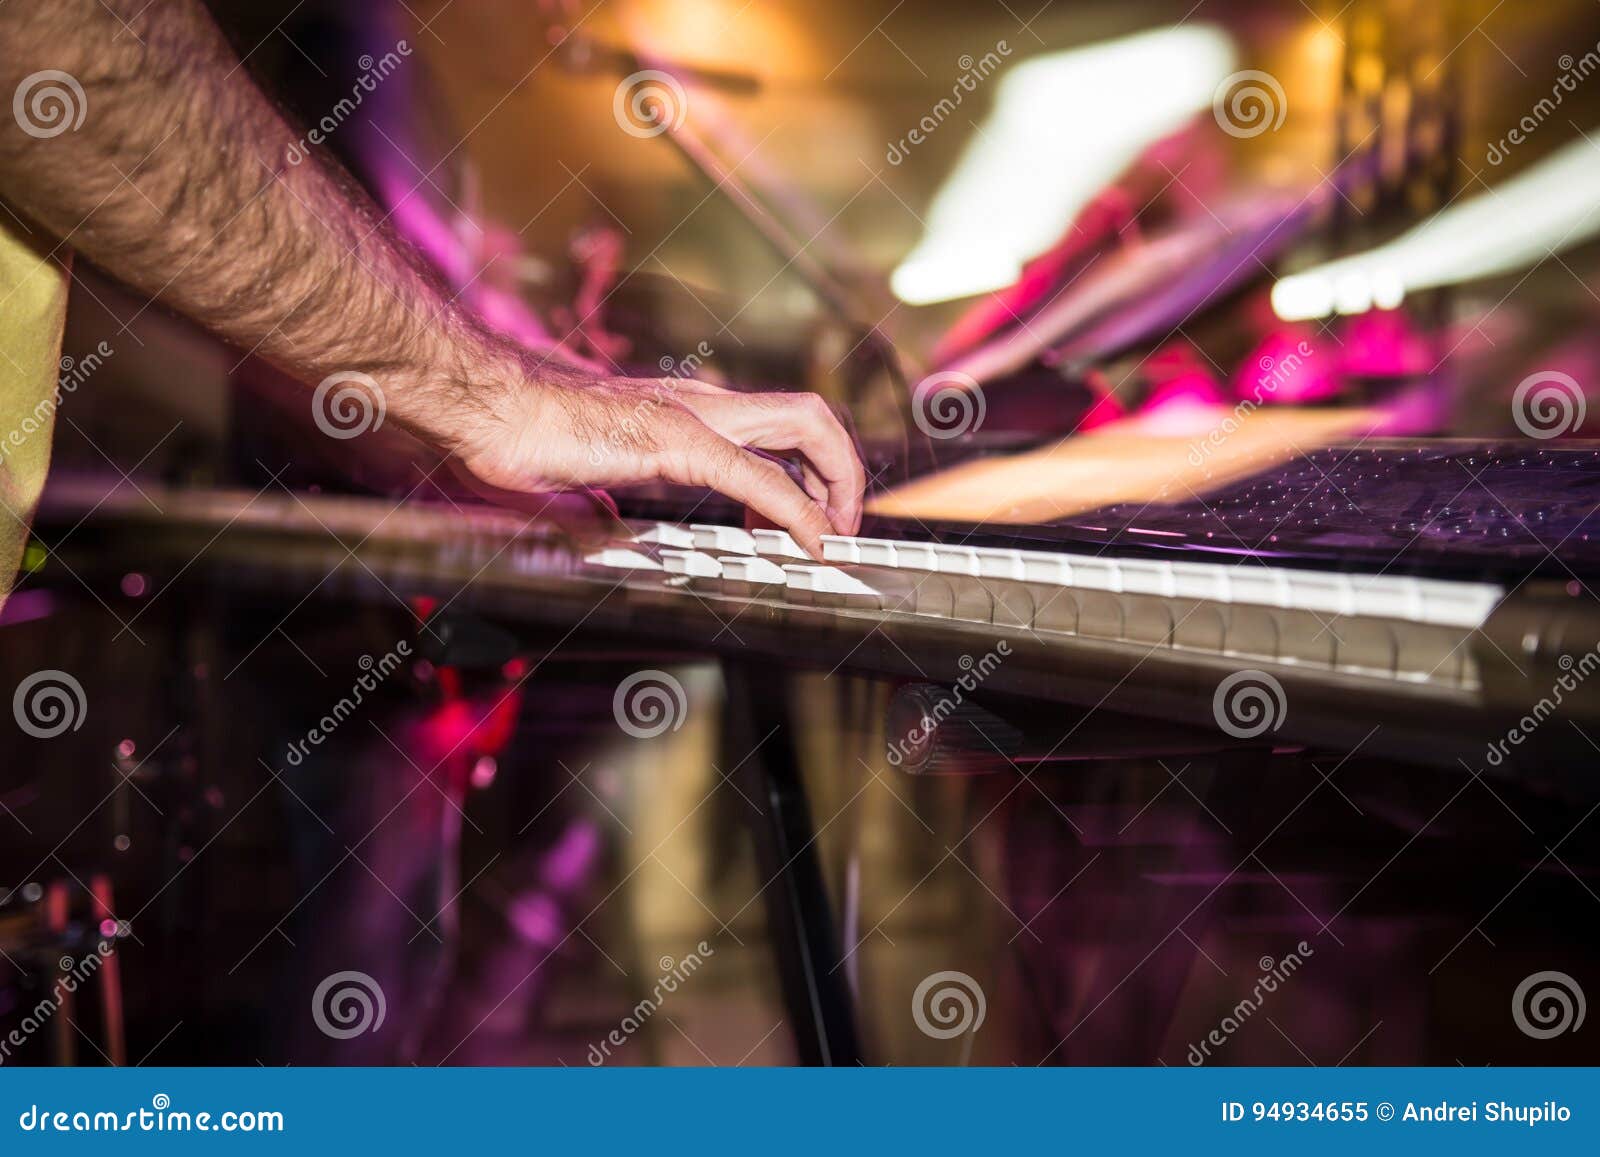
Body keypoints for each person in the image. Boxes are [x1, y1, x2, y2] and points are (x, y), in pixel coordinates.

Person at [0, 0, 865, 608]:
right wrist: (500, 394)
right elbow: (52, 43)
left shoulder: (419, 75)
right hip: (337, 572)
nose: (556, 20)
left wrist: (558, 372)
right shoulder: (361, 38)